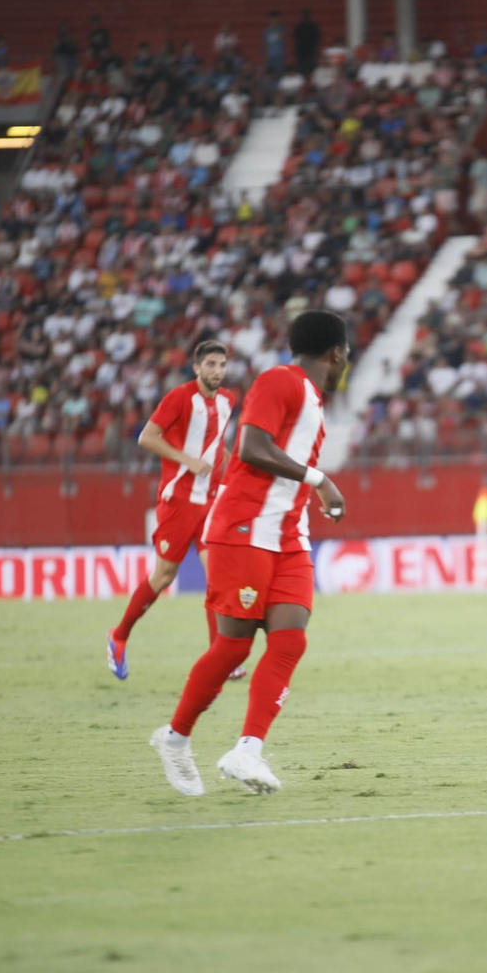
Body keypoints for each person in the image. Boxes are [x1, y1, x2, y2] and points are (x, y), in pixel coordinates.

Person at [150, 311, 349, 797]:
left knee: (289, 640)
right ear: (337, 354)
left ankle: (247, 751)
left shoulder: (313, 399)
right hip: (243, 529)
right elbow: (250, 446)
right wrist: (319, 479)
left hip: (288, 536)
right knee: (234, 646)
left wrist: (311, 493)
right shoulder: (281, 381)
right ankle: (174, 740)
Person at [108, 341, 240, 682]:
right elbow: (147, 437)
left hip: (210, 504)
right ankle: (119, 635)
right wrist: (187, 461)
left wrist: (234, 472)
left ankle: (220, 658)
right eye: (210, 364)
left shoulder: (227, 401)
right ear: (196, 368)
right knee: (163, 576)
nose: (217, 371)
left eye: (221, 364)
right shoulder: (179, 398)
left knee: (220, 578)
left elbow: (216, 446)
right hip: (178, 502)